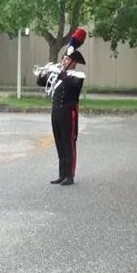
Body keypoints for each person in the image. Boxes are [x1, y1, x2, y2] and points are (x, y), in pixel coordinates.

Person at [36, 28, 87, 186]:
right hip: (56, 112)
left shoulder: (77, 76)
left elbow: (69, 81)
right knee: (59, 142)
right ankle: (61, 174)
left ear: (74, 63)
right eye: (63, 59)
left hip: (68, 112)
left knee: (68, 143)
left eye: (66, 59)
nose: (63, 61)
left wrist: (58, 71)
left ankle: (69, 175)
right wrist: (42, 73)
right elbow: (41, 83)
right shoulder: (59, 74)